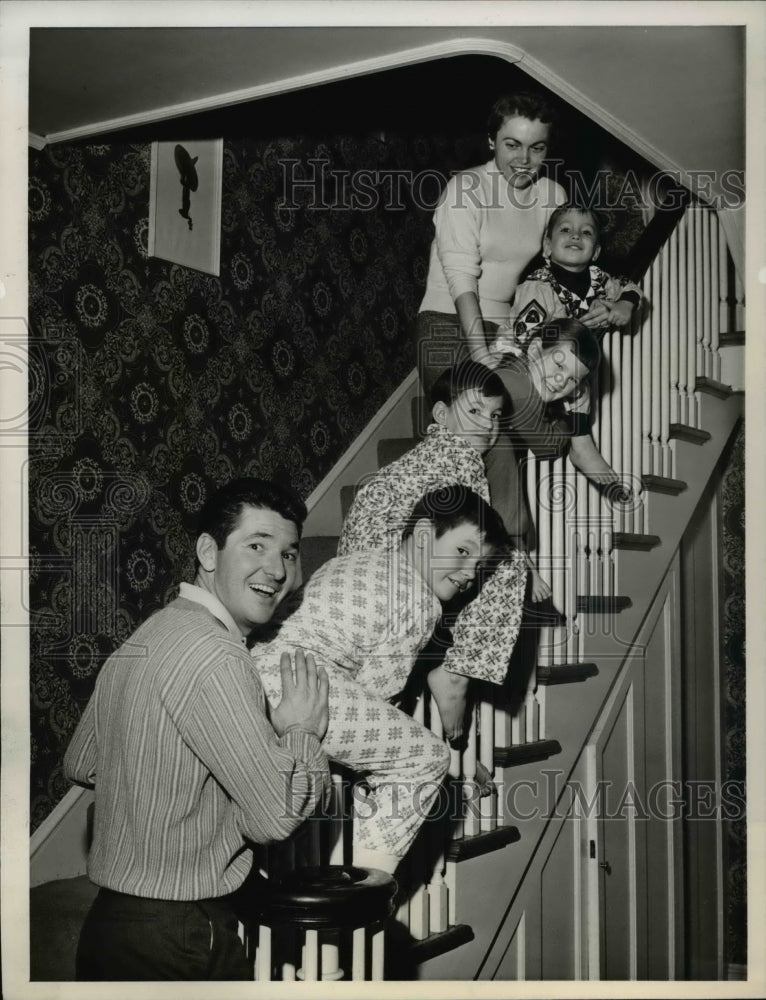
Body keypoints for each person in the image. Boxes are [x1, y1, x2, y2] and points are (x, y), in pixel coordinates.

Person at [63, 478, 331, 981]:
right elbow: (275, 815)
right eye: (257, 545)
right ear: (209, 551)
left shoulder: (148, 635)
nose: (276, 570)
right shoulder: (217, 655)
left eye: (291, 554)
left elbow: (82, 762)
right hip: (181, 932)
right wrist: (300, 733)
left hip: (111, 927)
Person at [251, 485, 509, 877]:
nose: (470, 574)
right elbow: (378, 695)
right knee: (426, 758)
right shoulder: (422, 603)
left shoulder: (356, 561)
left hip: (255, 666)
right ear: (423, 536)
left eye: (481, 567)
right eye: (462, 552)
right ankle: (371, 883)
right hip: (302, 683)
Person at [339, 361, 529, 725]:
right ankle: (456, 673)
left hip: (360, 568)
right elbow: (477, 534)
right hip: (391, 568)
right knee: (507, 560)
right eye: (474, 410)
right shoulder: (462, 457)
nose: (488, 425)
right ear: (441, 415)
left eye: (495, 415)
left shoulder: (420, 456)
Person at [415, 91, 567, 399]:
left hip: (505, 327)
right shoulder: (465, 190)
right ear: (491, 141)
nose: (524, 160)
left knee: (527, 413)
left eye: (536, 148)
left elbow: (565, 268)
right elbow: (461, 279)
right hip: (446, 321)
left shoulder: (553, 196)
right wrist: (481, 353)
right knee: (471, 424)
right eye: (512, 145)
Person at [482, 317, 633, 555]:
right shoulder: (518, 389)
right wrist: (576, 418)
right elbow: (547, 446)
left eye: (573, 379)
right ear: (534, 350)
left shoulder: (515, 372)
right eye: (559, 365)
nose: (562, 380)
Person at [488, 204, 643, 355]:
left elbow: (628, 286)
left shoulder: (599, 279)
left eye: (587, 232)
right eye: (565, 229)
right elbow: (519, 338)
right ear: (547, 246)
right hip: (518, 359)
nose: (576, 235)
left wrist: (625, 304)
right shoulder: (539, 288)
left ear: (596, 252)